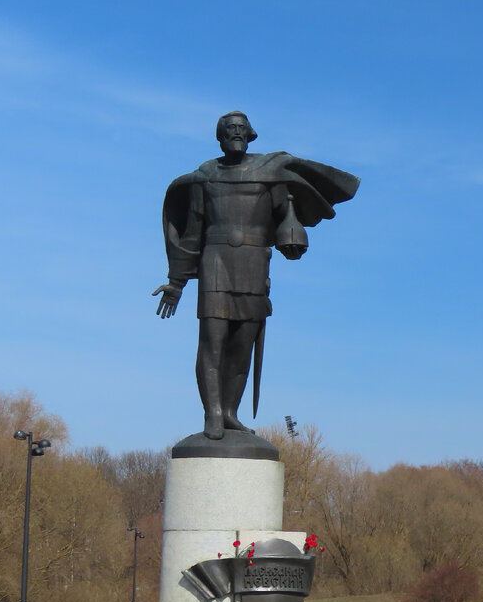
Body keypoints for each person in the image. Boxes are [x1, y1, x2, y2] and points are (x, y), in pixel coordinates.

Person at [154, 112, 359, 440]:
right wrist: (176, 282)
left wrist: (292, 234)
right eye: (228, 130)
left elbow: (286, 223)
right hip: (215, 261)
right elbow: (193, 232)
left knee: (242, 344)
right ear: (219, 138)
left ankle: (231, 412)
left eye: (240, 129)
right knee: (213, 340)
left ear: (250, 135)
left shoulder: (270, 174)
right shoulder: (204, 177)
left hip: (253, 264)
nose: (235, 134)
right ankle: (213, 413)